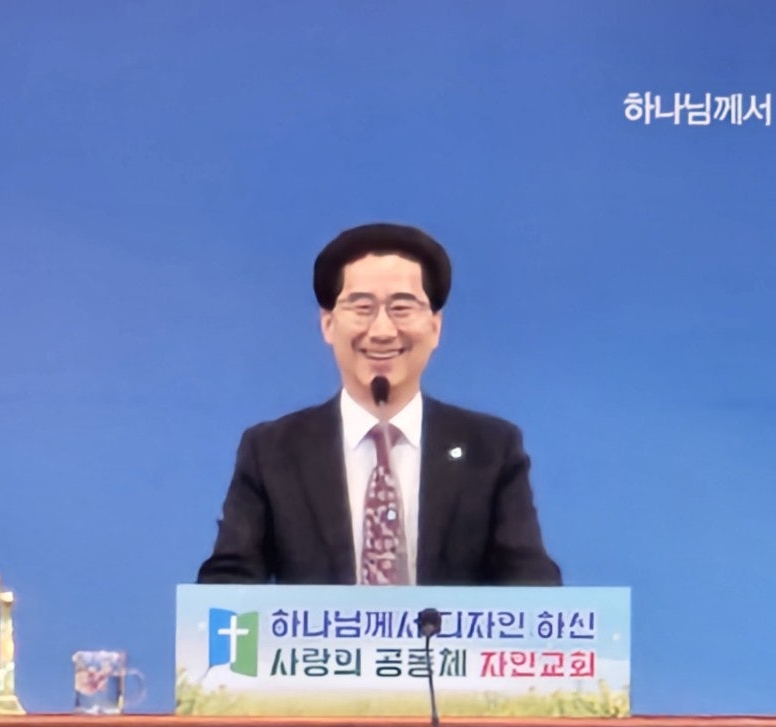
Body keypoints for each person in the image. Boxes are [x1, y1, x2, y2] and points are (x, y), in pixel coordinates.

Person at [196, 222, 561, 587]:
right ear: (328, 324)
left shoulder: (491, 448)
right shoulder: (273, 451)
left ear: (435, 327)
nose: (382, 331)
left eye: (402, 307)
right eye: (362, 307)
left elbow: (530, 582)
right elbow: (229, 583)